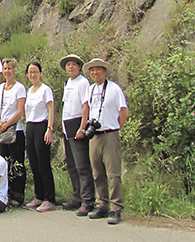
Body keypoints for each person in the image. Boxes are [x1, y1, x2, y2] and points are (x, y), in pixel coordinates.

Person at [83, 58, 129, 225]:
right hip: (95, 135)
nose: (95, 73)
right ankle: (101, 204)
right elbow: (87, 108)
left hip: (110, 134)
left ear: (105, 71)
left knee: (113, 173)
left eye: (98, 70)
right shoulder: (90, 89)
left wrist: (116, 128)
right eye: (92, 70)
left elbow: (124, 112)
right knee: (97, 173)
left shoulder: (114, 89)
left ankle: (116, 208)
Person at [59, 54, 95, 216]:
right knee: (72, 165)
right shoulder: (68, 83)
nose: (71, 67)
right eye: (68, 65)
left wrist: (82, 127)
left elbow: (85, 105)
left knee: (82, 165)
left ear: (79, 67)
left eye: (74, 64)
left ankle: (88, 201)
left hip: (78, 122)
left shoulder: (83, 82)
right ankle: (77, 197)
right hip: (67, 125)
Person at [0, 58, 26, 206]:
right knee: (3, 162)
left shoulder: (19, 88)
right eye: (5, 69)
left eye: (9, 69)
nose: (7, 71)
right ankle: (3, 192)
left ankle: (17, 195)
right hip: (0, 130)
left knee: (16, 162)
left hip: (15, 130)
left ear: (14, 70)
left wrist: (7, 124)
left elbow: (20, 111)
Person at [24, 62, 56, 212]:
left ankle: (49, 198)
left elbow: (51, 110)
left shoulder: (45, 90)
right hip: (30, 127)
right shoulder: (29, 91)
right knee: (34, 164)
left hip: (42, 126)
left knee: (43, 164)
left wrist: (49, 129)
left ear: (40, 73)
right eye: (30, 72)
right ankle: (39, 195)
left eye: (35, 71)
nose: (33, 75)